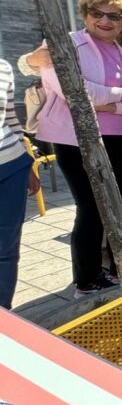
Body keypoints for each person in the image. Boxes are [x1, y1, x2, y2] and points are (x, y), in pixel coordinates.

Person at [35, 0, 122, 296]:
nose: (105, 20)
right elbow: (75, 92)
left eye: (114, 16)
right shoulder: (63, 45)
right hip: (77, 139)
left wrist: (111, 104)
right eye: (97, 13)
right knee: (91, 208)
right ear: (85, 15)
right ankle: (87, 280)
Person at [0, 58, 39, 309]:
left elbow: (11, 120)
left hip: (11, 164)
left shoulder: (3, 67)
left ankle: (4, 317)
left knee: (6, 250)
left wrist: (28, 164)